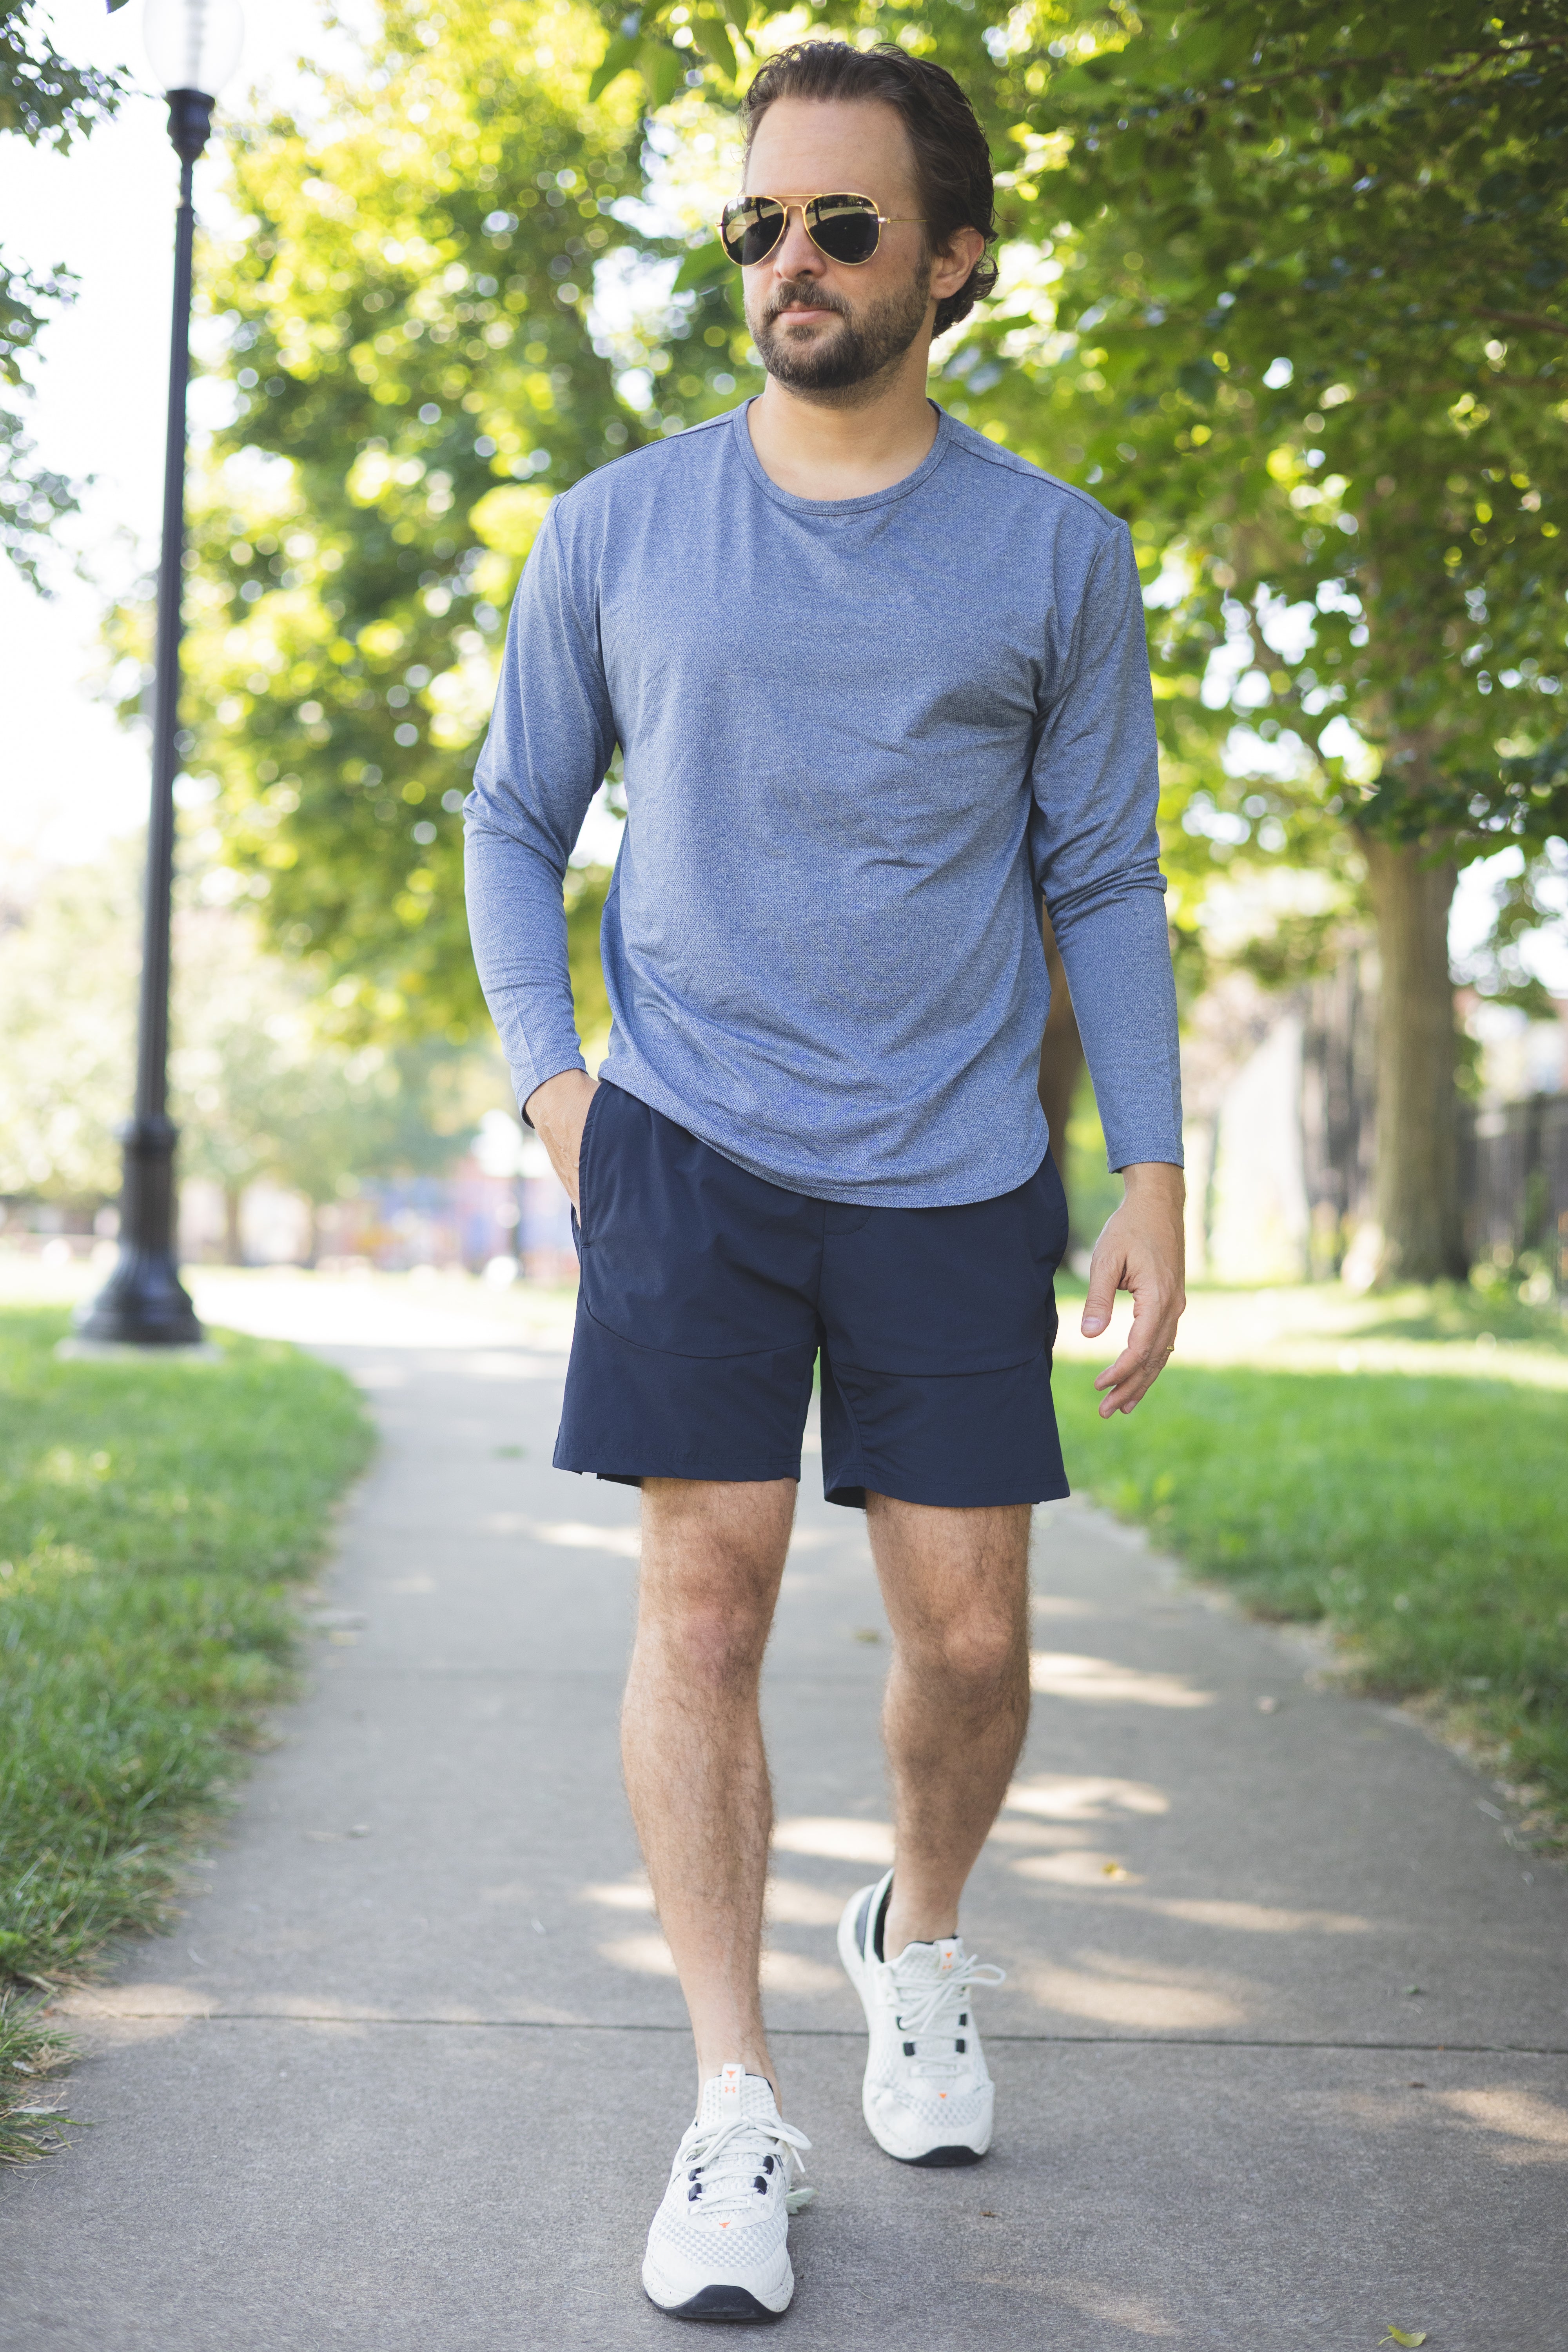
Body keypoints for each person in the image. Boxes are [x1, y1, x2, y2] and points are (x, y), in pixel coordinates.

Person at [465, 38, 1185, 2323]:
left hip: (962, 1164)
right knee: (706, 1611)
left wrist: (1151, 1164)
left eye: (840, 225)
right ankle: (731, 2109)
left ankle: (921, 1941)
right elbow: (509, 815)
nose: (789, 261)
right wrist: (554, 1092)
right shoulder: (616, 529)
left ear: (951, 260)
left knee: (968, 1637)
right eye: (758, 225)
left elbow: (1110, 877)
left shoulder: (1056, 555)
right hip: (687, 1138)